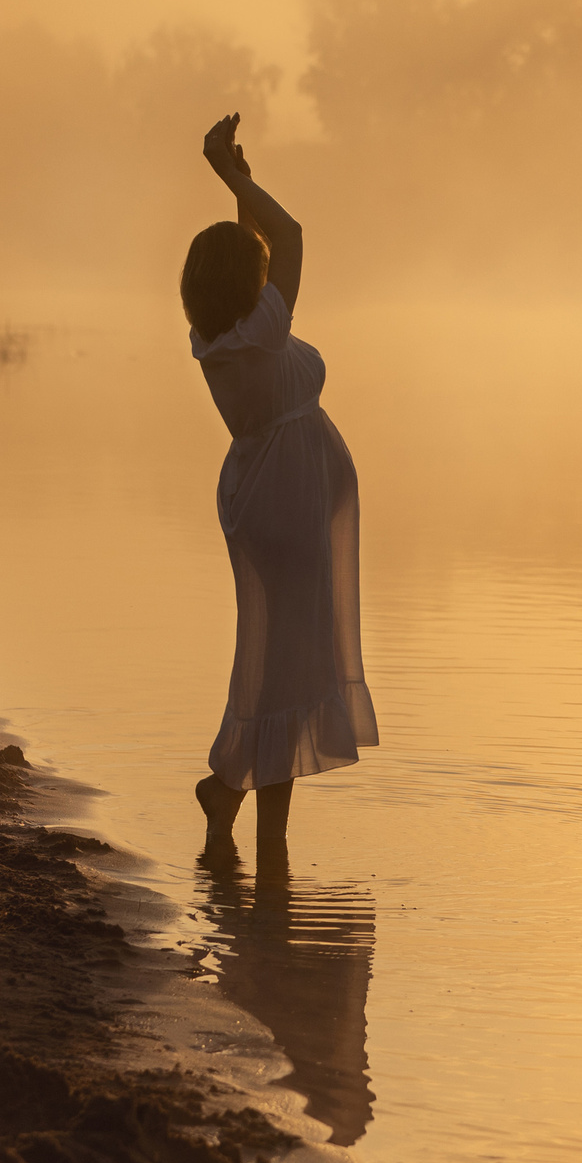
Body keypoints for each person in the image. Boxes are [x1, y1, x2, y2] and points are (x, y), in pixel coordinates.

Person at [183, 113, 376, 855]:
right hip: (285, 501)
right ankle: (265, 842)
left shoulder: (225, 336)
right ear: (248, 286)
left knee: (275, 659)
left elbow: (260, 257)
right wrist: (231, 175)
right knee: (289, 666)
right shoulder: (256, 334)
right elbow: (290, 236)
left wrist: (240, 197)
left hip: (269, 494)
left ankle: (230, 795)